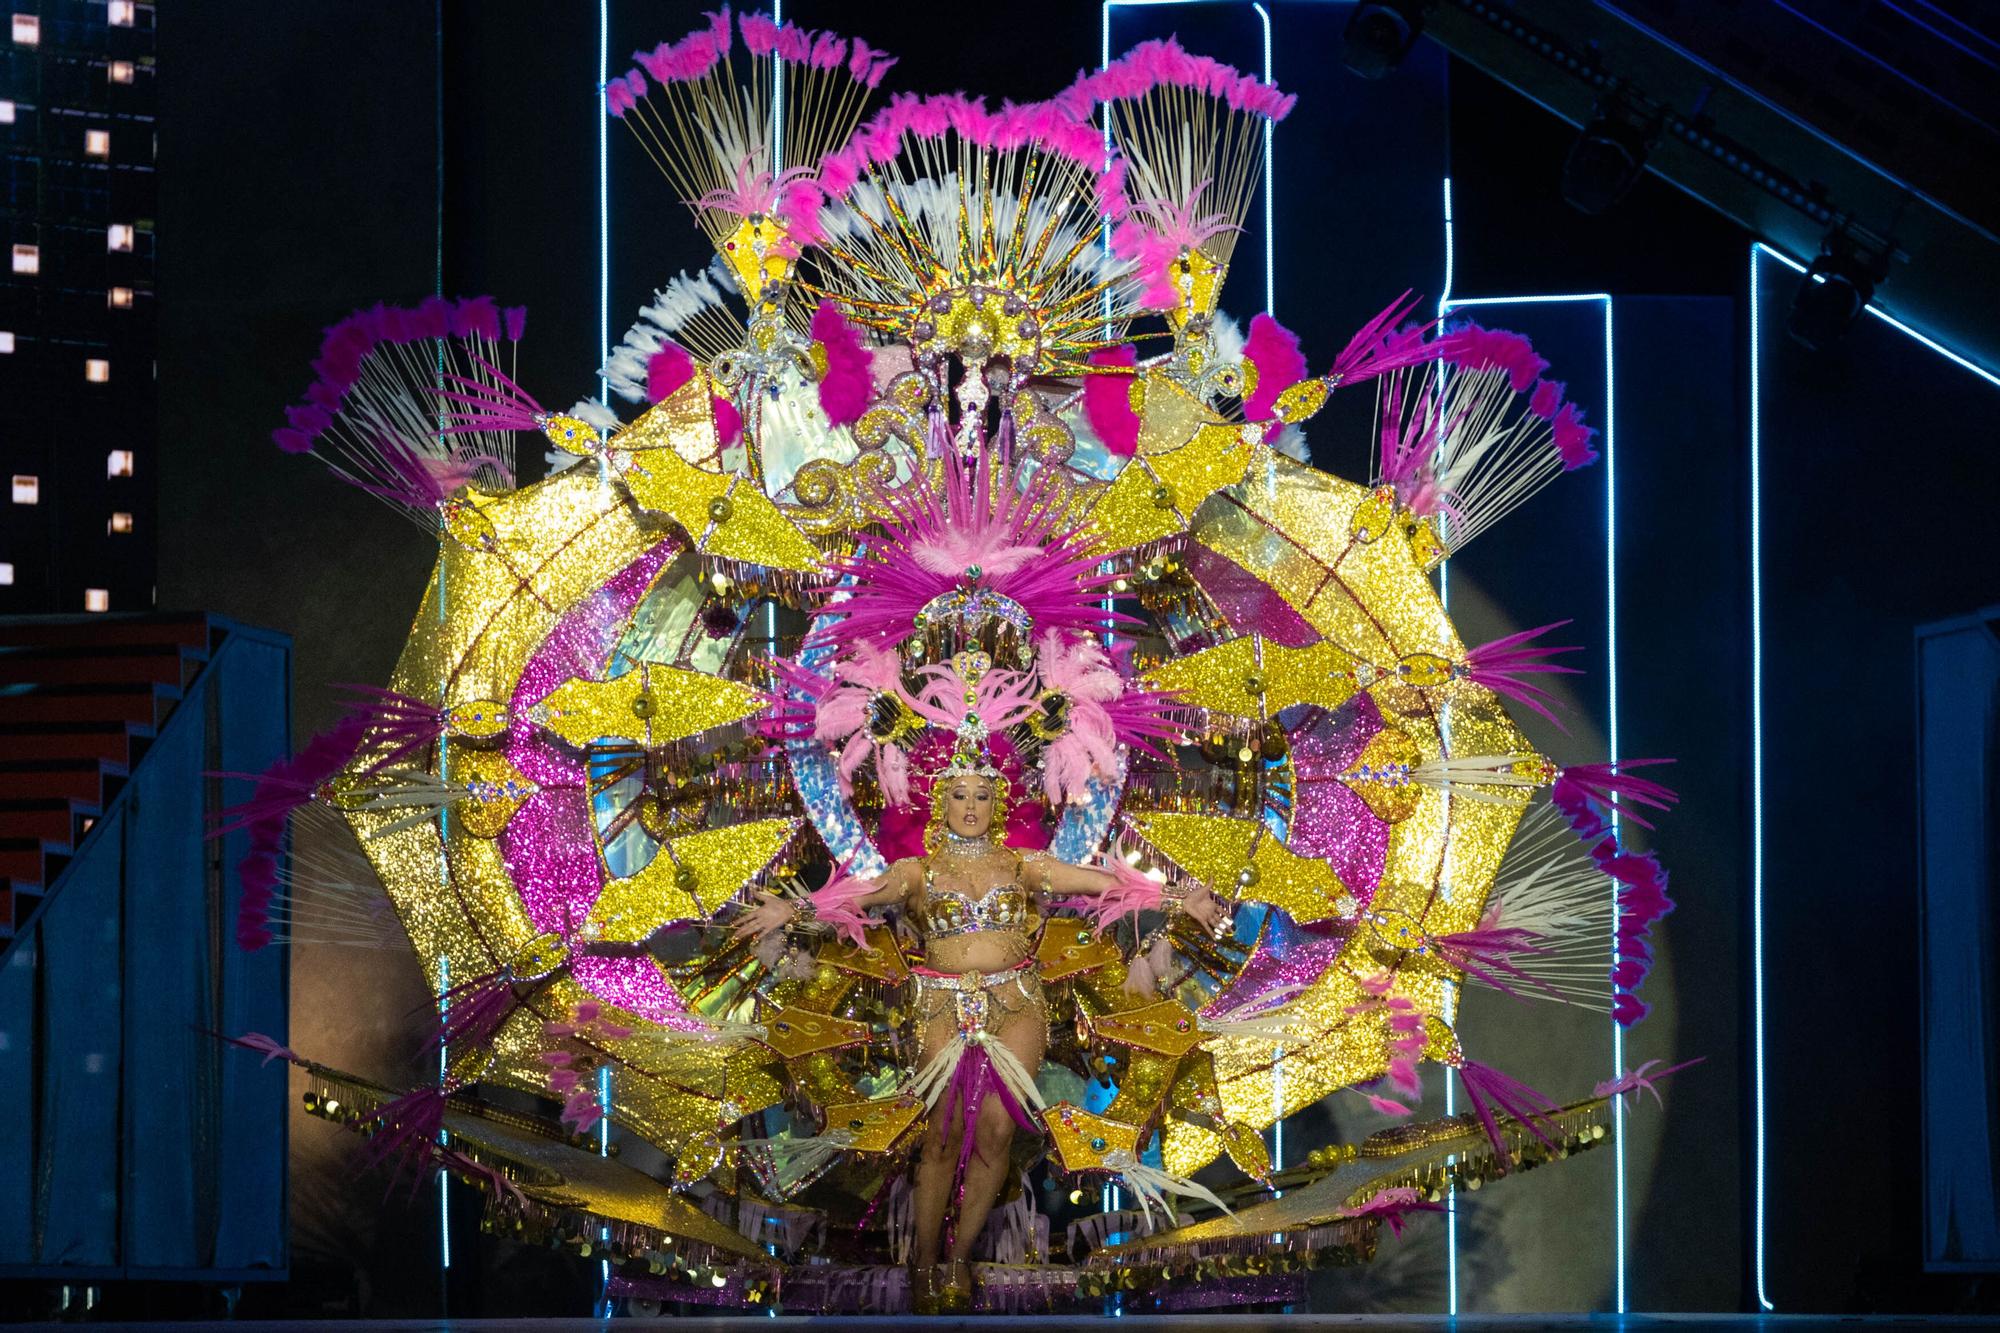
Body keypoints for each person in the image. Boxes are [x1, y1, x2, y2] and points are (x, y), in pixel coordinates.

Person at [734, 756, 1225, 1312]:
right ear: (941, 804)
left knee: (995, 1133)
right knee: (941, 1137)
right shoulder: (917, 872)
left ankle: (959, 1260)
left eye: (982, 796)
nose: (970, 806)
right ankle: (924, 1261)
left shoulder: (1024, 865)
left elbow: (1102, 884)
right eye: (960, 795)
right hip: (941, 1006)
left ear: (997, 805)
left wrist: (1176, 899)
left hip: (1017, 1005)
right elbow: (857, 895)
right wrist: (794, 910)